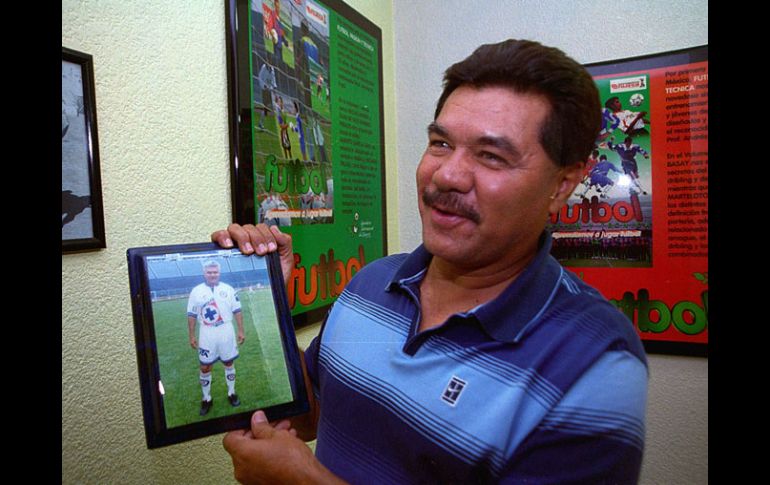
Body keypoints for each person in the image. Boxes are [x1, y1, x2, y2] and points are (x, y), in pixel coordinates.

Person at [214, 39, 648, 484]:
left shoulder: (596, 363)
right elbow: (310, 416)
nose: (446, 175)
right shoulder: (370, 284)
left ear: (562, 184)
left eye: (491, 156)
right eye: (440, 143)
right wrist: (264, 305)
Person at [187, 260, 245, 416]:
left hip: (226, 330)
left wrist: (241, 330)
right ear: (204, 273)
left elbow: (237, 310)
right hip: (207, 332)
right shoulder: (196, 291)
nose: (212, 275)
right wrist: (191, 335)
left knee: (228, 362)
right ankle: (206, 398)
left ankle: (231, 393)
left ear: (219, 273)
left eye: (215, 272)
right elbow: (191, 314)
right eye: (209, 272)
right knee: (205, 366)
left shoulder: (228, 289)